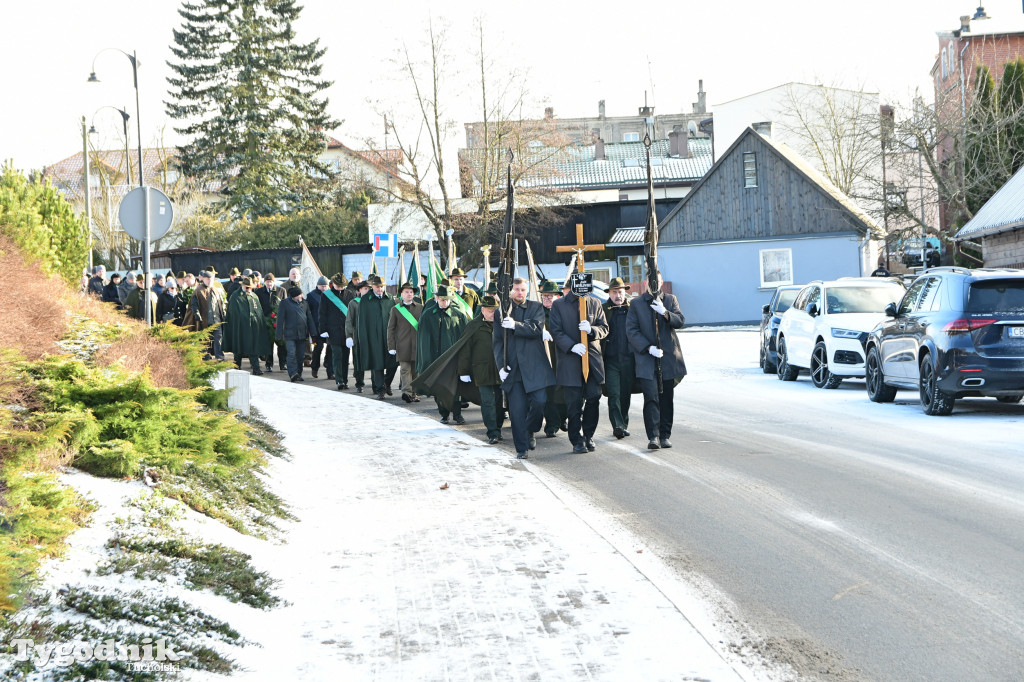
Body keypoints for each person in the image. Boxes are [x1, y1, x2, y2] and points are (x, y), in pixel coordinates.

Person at [493, 277, 555, 459]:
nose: (520, 293)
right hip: (513, 369)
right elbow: (497, 342)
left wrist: (516, 325)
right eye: (517, 289)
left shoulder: (536, 308)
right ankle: (521, 448)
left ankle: (531, 429)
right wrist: (500, 367)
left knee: (540, 402)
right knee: (517, 411)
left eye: (523, 289)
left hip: (534, 366)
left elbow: (536, 328)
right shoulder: (501, 312)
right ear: (510, 291)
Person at [625, 271, 687, 450]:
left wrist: (666, 313)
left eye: (658, 281)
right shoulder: (636, 304)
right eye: (651, 281)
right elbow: (631, 330)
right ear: (646, 282)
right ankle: (653, 435)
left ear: (661, 283)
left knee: (667, 398)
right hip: (647, 359)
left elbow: (680, 321)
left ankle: (665, 435)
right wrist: (647, 347)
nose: (654, 284)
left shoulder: (670, 300)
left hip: (667, 359)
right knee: (651, 397)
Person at [549, 278, 609, 454]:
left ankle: (588, 435)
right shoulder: (559, 305)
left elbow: (604, 328)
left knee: (594, 397)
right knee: (573, 404)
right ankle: (576, 439)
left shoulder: (595, 302)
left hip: (592, 361)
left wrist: (592, 330)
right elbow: (556, 330)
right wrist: (571, 346)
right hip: (570, 361)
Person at [417, 285, 470, 422]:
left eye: (447, 299)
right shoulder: (428, 315)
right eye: (442, 299)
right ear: (437, 298)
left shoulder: (458, 315)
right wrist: (426, 360)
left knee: (456, 388)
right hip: (436, 358)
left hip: (454, 359)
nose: (445, 302)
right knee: (439, 388)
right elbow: (423, 340)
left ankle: (457, 415)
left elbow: (464, 338)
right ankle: (444, 414)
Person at [460, 295, 504, 443]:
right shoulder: (474, 326)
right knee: (487, 401)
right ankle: (492, 432)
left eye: (495, 311)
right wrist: (463, 371)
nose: (493, 313)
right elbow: (465, 349)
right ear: (483, 310)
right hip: (482, 369)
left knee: (499, 401)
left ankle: (498, 428)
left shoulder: (502, 325)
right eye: (490, 310)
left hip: (500, 369)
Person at [602, 278, 635, 439]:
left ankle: (624, 424)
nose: (618, 295)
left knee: (625, 394)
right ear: (609, 293)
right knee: (613, 393)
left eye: (620, 292)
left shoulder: (631, 309)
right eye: (614, 292)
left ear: (625, 293)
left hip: (629, 359)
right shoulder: (603, 310)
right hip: (611, 360)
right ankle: (617, 425)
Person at [354, 274, 398, 399]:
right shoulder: (365, 300)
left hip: (389, 336)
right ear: (372, 286)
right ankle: (380, 389)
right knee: (377, 363)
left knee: (394, 362)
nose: (379, 289)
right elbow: (362, 321)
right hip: (373, 337)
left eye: (382, 287)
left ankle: (387, 383)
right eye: (377, 287)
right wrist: (363, 338)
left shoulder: (390, 299)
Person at [223, 276, 269, 375]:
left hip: (253, 328)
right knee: (238, 348)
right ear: (242, 286)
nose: (248, 289)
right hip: (240, 328)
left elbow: (259, 311)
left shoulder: (254, 296)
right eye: (246, 287)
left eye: (250, 287)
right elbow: (233, 313)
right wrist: (244, 319)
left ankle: (256, 368)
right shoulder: (236, 296)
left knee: (253, 348)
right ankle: (236, 367)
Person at [539, 280, 567, 437]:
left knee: (563, 390)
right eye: (544, 296)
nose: (547, 299)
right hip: (545, 358)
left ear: (557, 296)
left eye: (550, 296)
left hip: (562, 356)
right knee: (548, 393)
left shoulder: (563, 312)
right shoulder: (538, 313)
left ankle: (562, 418)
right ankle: (551, 424)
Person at [387, 281, 423, 403]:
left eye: (411, 292)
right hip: (403, 344)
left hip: (417, 344)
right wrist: (391, 346)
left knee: (416, 371)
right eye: (406, 292)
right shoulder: (396, 309)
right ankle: (406, 392)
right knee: (405, 369)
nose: (409, 294)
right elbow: (391, 328)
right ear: (401, 294)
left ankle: (415, 393)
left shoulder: (420, 308)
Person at [275, 286, 317, 382]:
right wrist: (278, 334)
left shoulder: (305, 303)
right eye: (299, 295)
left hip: (302, 334)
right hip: (289, 334)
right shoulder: (285, 303)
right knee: (291, 353)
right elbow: (280, 319)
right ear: (294, 296)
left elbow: (309, 318)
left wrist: (313, 332)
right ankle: (293, 373)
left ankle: (299, 373)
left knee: (300, 355)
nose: (301, 296)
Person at [189, 269, 227, 361]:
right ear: (203, 279)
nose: (209, 281)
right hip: (205, 320)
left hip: (216, 319)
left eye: (211, 279)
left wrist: (224, 314)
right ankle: (205, 356)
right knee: (205, 340)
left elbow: (220, 304)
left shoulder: (215, 290)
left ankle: (219, 357)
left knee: (218, 338)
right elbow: (193, 304)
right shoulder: (198, 290)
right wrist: (196, 313)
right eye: (207, 279)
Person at [320, 273, 350, 390]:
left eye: (342, 286)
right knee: (337, 355)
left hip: (346, 331)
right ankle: (339, 380)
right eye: (338, 286)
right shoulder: (327, 295)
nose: (340, 288)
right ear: (333, 284)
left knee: (346, 357)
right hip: (333, 330)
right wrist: (323, 329)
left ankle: (345, 379)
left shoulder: (349, 294)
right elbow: (322, 313)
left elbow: (351, 314)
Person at [255, 273, 288, 372]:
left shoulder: (281, 291)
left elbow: (285, 304)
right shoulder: (259, 292)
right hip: (266, 321)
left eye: (271, 281)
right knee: (269, 344)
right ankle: (269, 364)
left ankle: (283, 363)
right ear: (264, 282)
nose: (269, 284)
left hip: (278, 321)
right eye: (267, 282)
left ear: (274, 282)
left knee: (281, 344)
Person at [345, 279, 372, 392]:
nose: (367, 291)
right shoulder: (354, 303)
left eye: (369, 289)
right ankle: (359, 383)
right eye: (365, 289)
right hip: (358, 336)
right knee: (358, 361)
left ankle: (376, 385)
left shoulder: (373, 301)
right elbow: (349, 320)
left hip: (372, 336)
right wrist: (349, 336)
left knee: (373, 360)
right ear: (359, 290)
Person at [305, 276, 333, 379]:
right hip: (317, 327)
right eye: (322, 286)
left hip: (330, 327)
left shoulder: (332, 295)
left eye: (325, 286)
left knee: (331, 350)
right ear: (317, 285)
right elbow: (309, 314)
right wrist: (311, 329)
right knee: (318, 348)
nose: (324, 288)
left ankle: (330, 371)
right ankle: (315, 367)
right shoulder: (311, 296)